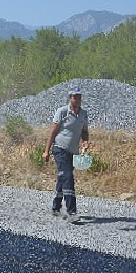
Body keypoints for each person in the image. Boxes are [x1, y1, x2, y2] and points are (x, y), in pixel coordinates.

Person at [42, 86, 90, 223]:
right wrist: (46, 151)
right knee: (68, 177)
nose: (77, 99)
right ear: (70, 98)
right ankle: (72, 212)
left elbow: (84, 131)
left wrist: (85, 142)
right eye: (74, 96)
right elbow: (53, 132)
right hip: (59, 149)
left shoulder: (83, 114)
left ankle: (56, 207)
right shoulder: (62, 112)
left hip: (73, 152)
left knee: (63, 178)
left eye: (79, 96)